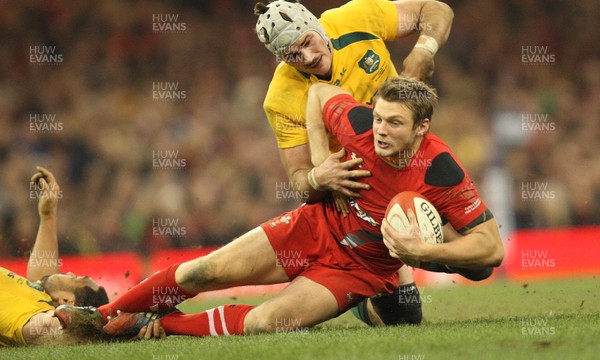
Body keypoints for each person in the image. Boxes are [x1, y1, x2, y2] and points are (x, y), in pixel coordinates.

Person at [73, 77, 502, 338]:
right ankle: (100, 316)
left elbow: (491, 250)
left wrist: (428, 254)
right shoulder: (357, 125)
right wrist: (320, 166)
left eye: (394, 123)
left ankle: (157, 327)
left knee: (266, 324)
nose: (380, 131)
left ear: (422, 128)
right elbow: (317, 94)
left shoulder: (442, 170)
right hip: (312, 227)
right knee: (202, 272)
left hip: (358, 271)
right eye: (378, 118)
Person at [254, 0, 454, 326]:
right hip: (358, 198)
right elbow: (301, 180)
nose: (306, 57)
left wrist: (423, 50)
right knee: (404, 318)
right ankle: (355, 293)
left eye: (307, 42)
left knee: (479, 262)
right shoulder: (280, 98)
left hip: (409, 164)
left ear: (315, 24)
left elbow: (436, 10)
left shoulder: (357, 17)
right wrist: (319, 179)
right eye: (291, 56)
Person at [0, 167, 112, 346]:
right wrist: (48, 215)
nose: (68, 272)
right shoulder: (38, 296)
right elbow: (43, 272)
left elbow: (47, 328)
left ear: (67, 301)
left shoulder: (30, 314)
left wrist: (111, 325)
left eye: (75, 278)